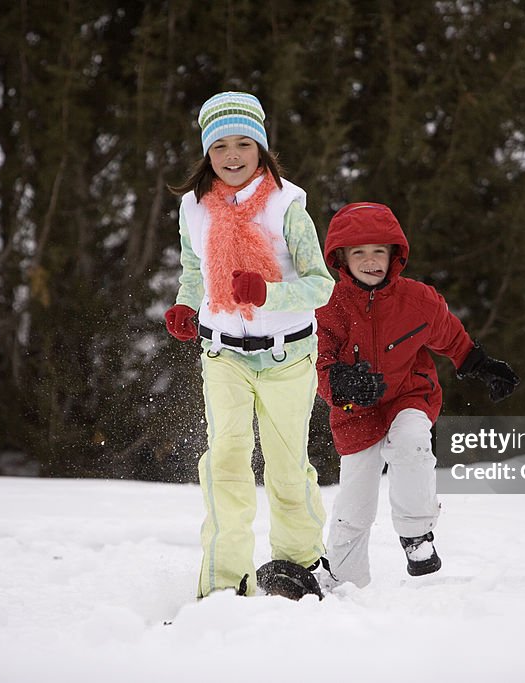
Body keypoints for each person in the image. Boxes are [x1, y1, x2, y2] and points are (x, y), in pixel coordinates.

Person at [164, 91, 334, 598]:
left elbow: (321, 284)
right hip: (222, 356)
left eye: (243, 144)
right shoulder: (192, 208)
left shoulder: (288, 206)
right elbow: (193, 270)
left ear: (261, 148)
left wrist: (268, 292)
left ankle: (300, 567)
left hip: (287, 356)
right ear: (206, 153)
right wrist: (186, 305)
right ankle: (222, 580)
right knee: (227, 461)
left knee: (286, 466)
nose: (232, 156)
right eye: (220, 146)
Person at [315, 202, 520, 588]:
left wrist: (482, 365)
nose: (371, 261)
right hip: (354, 411)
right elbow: (318, 363)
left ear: (395, 254)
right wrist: (342, 385)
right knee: (355, 501)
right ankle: (345, 579)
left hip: (409, 395)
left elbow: (451, 336)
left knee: (411, 441)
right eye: (359, 252)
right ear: (341, 258)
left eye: (380, 251)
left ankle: (417, 536)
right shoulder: (329, 307)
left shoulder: (417, 300)